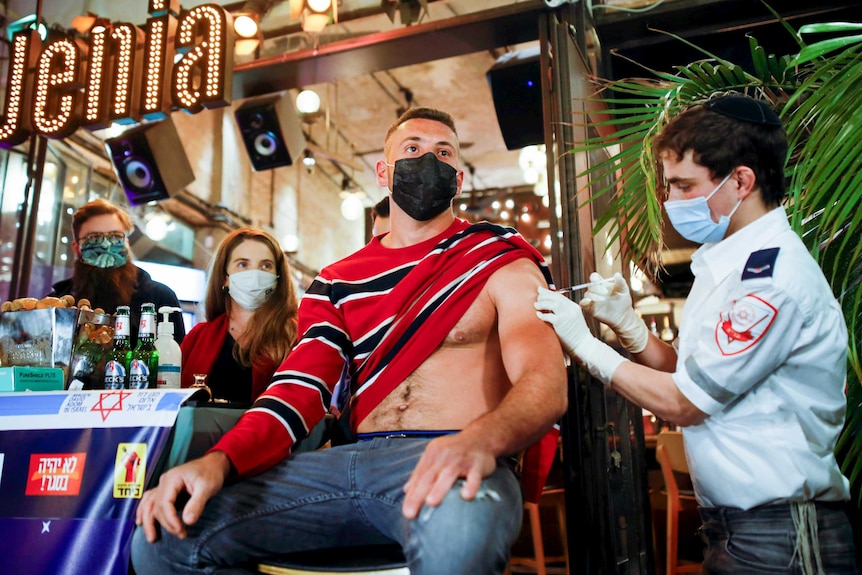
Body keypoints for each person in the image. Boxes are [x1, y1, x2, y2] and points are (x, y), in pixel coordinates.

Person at [132, 107, 567, 575]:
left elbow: (544, 381)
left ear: (458, 179)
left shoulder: (498, 259)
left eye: (443, 153)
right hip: (345, 463)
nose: (429, 160)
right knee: (164, 540)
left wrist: (481, 440)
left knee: (457, 540)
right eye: (413, 149)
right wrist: (219, 462)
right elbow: (297, 389)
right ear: (384, 172)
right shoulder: (337, 281)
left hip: (454, 454)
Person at [535, 94, 857, 574]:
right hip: (737, 527)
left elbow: (685, 401)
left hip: (779, 532)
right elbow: (689, 371)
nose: (670, 202)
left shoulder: (769, 279)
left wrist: (584, 345)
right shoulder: (726, 265)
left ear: (741, 181)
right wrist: (631, 331)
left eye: (684, 186)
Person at [180, 228, 299, 403]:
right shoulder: (198, 337)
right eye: (243, 264)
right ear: (224, 278)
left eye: (266, 265)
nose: (255, 275)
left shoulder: (295, 336)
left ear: (277, 278)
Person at [48, 198, 185, 346]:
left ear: (126, 242)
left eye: (115, 236)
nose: (106, 244)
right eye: (94, 237)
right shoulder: (59, 302)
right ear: (76, 248)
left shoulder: (160, 298)